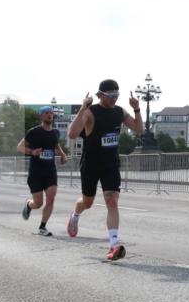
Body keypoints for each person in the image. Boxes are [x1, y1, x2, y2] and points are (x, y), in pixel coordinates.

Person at [66, 80, 142, 261]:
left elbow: (138, 130)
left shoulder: (119, 112)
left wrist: (137, 109)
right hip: (91, 165)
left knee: (112, 201)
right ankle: (75, 214)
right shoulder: (91, 113)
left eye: (117, 95)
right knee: (87, 202)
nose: (115, 99)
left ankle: (113, 245)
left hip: (110, 164)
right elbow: (71, 134)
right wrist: (83, 108)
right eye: (111, 96)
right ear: (100, 95)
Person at [18, 106, 69, 236]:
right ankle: (29, 205)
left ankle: (42, 226)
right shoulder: (34, 132)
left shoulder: (55, 132)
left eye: (51, 113)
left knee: (51, 198)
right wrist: (32, 152)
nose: (49, 115)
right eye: (46, 113)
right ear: (41, 116)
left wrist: (63, 155)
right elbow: (20, 147)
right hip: (36, 172)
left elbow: (56, 145)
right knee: (38, 203)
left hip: (50, 171)